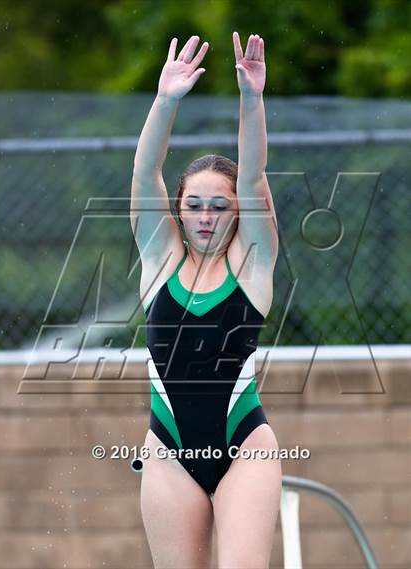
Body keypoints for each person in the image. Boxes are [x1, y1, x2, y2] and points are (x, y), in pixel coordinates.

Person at [130, 32, 281, 569]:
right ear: (179, 209)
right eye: (194, 205)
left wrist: (251, 99)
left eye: (219, 204)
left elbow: (256, 173)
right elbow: (145, 173)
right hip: (167, 452)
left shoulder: (252, 265)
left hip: (246, 446)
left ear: (237, 210)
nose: (206, 215)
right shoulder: (159, 263)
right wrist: (165, 100)